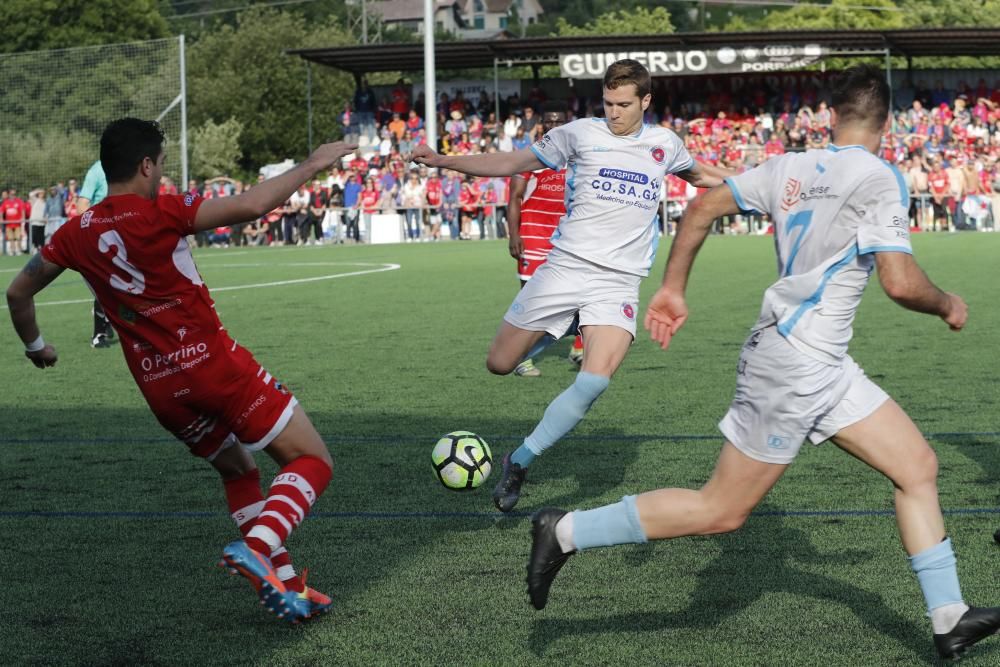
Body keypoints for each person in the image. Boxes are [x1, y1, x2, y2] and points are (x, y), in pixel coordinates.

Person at [523, 65, 1000, 661]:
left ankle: (949, 615)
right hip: (793, 366)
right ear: (889, 120)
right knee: (721, 510)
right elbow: (900, 283)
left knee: (917, 466)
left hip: (822, 364)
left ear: (829, 115)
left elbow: (701, 210)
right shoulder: (880, 177)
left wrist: (673, 289)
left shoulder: (788, 166)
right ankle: (563, 530)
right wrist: (948, 303)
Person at [5, 117, 357, 624]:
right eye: (162, 164)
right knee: (312, 460)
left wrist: (37, 346)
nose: (162, 174)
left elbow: (18, 292)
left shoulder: (74, 234)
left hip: (161, 390)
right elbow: (254, 205)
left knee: (238, 469)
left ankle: (284, 582)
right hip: (213, 367)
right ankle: (260, 548)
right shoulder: (162, 211)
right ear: (146, 165)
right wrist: (313, 163)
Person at [413, 59, 727, 512]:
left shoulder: (665, 144)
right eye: (608, 103)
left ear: (646, 101)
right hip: (564, 269)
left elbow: (702, 177)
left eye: (623, 104)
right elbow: (512, 161)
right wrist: (444, 160)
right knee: (500, 363)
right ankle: (559, 328)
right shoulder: (578, 133)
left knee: (594, 381)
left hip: (617, 282)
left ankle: (519, 461)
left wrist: (762, 187)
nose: (614, 112)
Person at [505, 108, 584, 378]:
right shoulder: (531, 156)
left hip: (566, 241)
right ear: (540, 125)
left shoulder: (577, 157)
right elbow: (515, 197)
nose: (553, 125)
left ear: (567, 124)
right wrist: (514, 235)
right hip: (533, 238)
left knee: (583, 297)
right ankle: (520, 358)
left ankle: (579, 349)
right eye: (548, 121)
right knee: (531, 303)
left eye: (558, 121)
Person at [77, 160, 117, 348]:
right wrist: (97, 226)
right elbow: (82, 205)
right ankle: (98, 336)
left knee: (121, 285)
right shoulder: (96, 171)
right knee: (105, 285)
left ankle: (107, 319)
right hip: (99, 238)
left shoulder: (129, 165)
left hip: (122, 235)